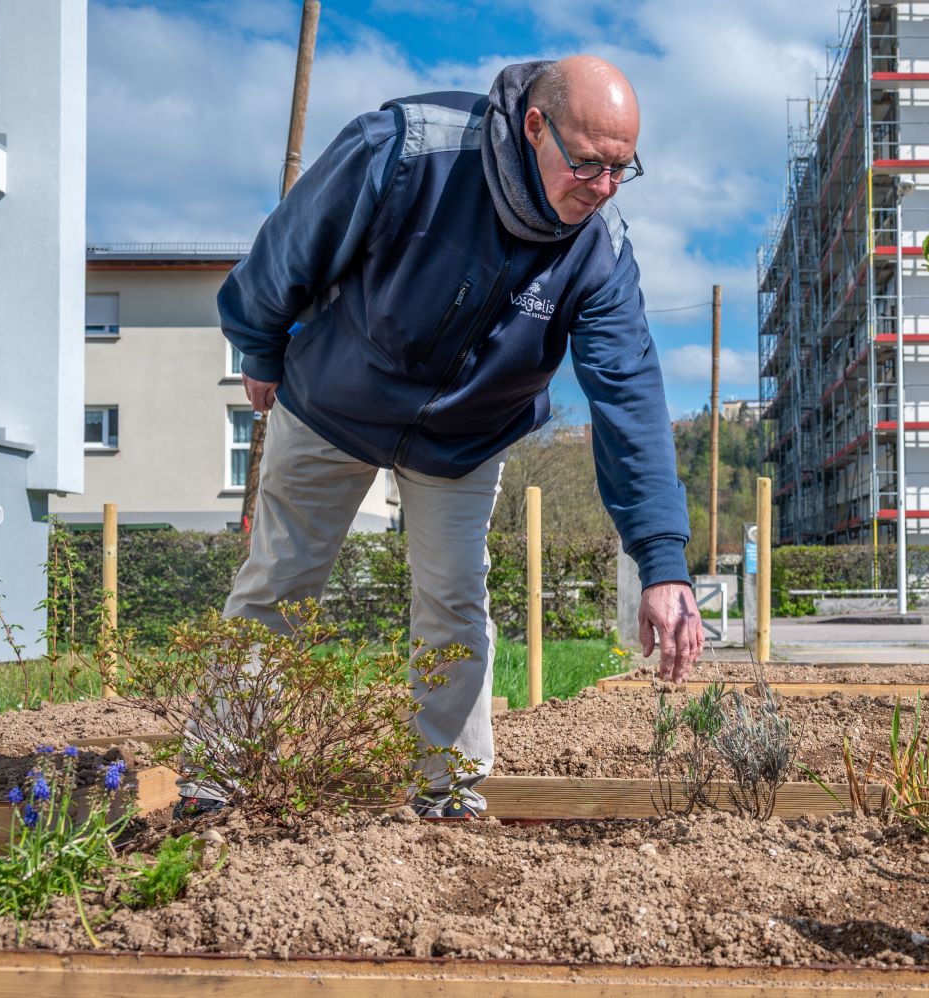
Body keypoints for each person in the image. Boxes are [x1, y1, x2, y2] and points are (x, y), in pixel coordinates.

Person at [188, 56, 704, 818]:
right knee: (279, 582)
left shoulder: (599, 251)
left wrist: (662, 563)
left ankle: (447, 787)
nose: (602, 189)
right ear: (535, 127)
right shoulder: (406, 149)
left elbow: (629, 397)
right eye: (588, 164)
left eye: (620, 170)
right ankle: (219, 775)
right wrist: (261, 348)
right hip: (335, 402)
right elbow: (290, 246)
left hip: (465, 435)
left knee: (455, 601)